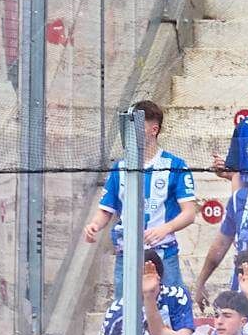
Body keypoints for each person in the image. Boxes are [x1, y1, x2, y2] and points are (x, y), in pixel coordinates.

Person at [82, 100, 198, 291]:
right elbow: (106, 209)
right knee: (122, 312)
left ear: (154, 130)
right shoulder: (120, 167)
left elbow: (189, 213)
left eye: (138, 127)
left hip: (163, 253)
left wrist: (164, 229)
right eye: (130, 127)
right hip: (126, 256)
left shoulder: (175, 165)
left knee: (167, 309)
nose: (132, 133)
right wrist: (94, 225)